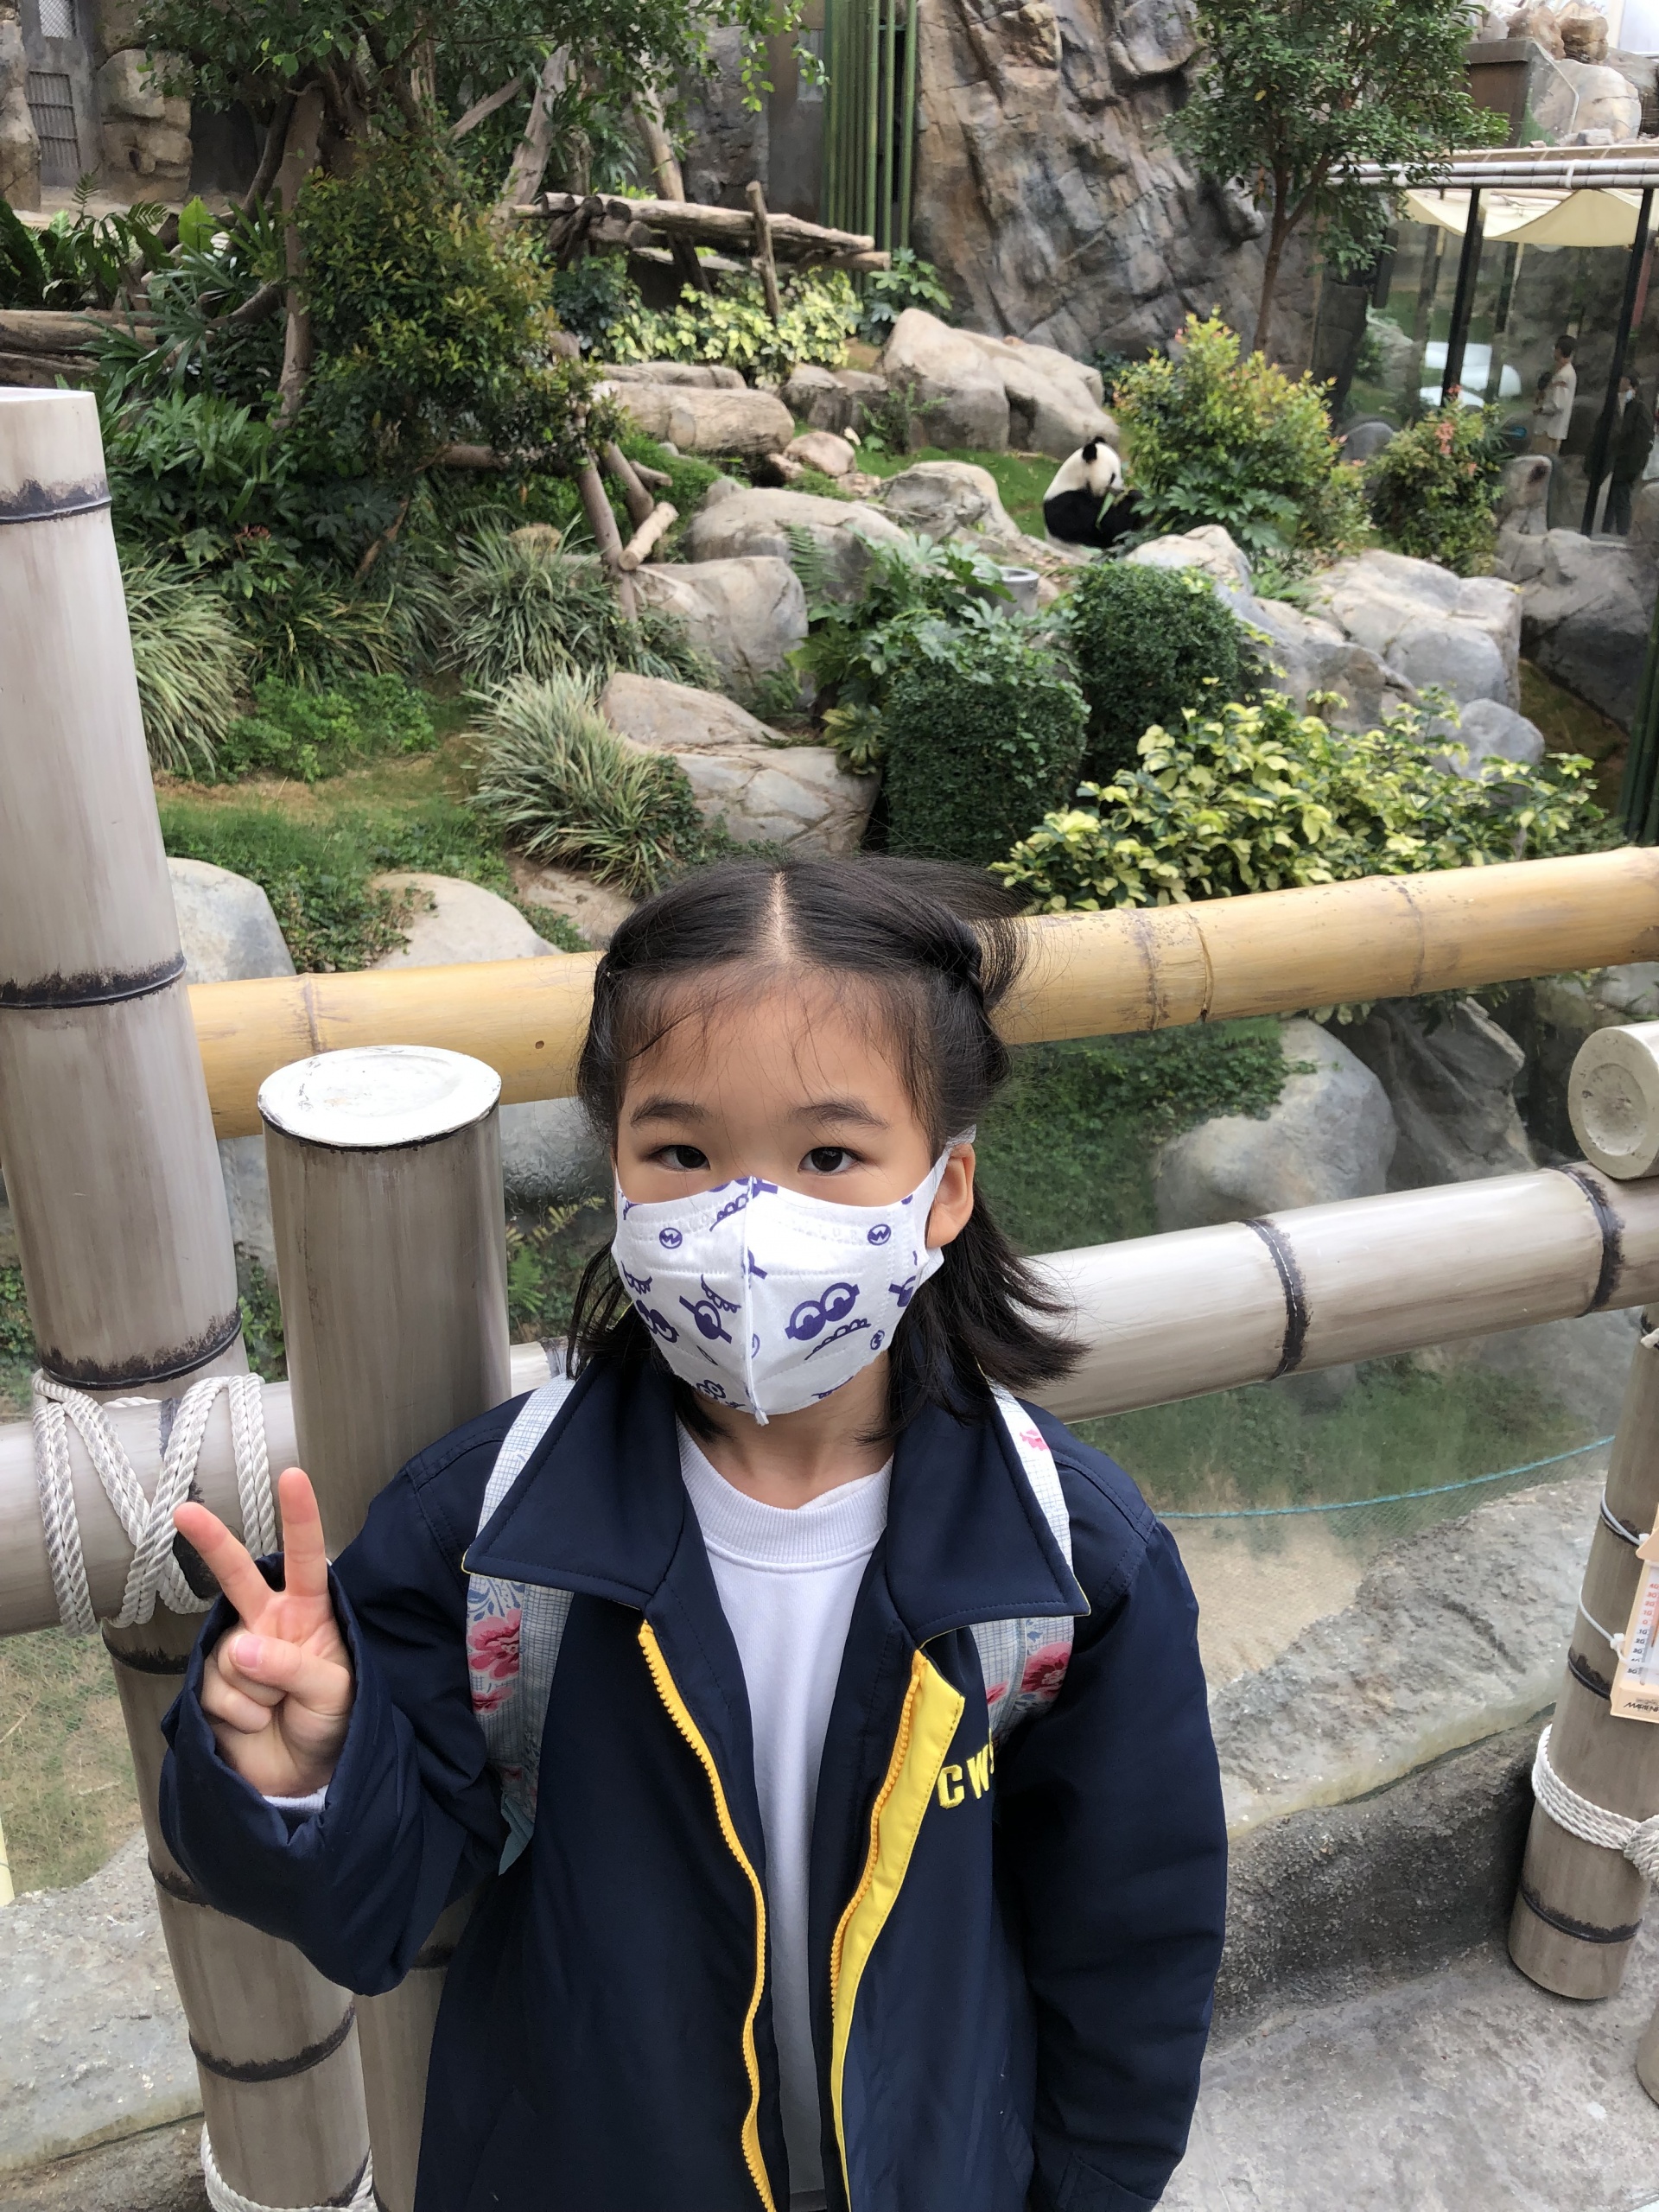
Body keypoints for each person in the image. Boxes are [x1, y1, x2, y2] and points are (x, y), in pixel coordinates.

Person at [158, 856, 1227, 2212]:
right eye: (682, 1154)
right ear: (615, 1170)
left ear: (945, 1190)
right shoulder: (488, 1535)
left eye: (828, 1157)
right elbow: (372, 1911)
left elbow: (1132, 1936)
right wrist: (299, 1773)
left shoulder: (1071, 1563)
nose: (746, 1224)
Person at [1043, 437, 1144, 552]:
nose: (1118, 485)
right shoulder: (1063, 507)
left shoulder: (1069, 496)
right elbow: (1111, 534)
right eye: (1112, 477)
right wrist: (1131, 504)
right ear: (1090, 460)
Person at [1606, 372, 1654, 536]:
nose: (1622, 391)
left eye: (1625, 388)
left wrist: (1633, 466)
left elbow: (1641, 442)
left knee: (1621, 498)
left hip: (1627, 464)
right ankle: (1608, 529)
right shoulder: (1619, 409)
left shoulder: (1639, 410)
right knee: (1612, 499)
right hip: (1616, 462)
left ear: (1634, 389)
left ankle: (1623, 532)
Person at [1529, 333, 1577, 454]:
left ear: (1559, 351)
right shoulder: (1563, 372)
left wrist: (1540, 409)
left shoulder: (1563, 376)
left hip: (1549, 432)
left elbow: (1557, 405)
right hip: (1550, 431)